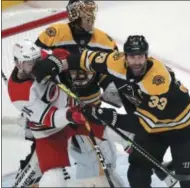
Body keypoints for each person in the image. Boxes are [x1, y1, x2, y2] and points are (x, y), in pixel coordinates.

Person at [33, 35, 190, 188]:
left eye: (140, 56)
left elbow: (140, 124)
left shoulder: (157, 80)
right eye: (132, 56)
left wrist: (107, 116)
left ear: (146, 57)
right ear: (125, 57)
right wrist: (57, 63)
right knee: (137, 173)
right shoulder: (115, 62)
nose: (136, 61)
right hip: (155, 131)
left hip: (184, 131)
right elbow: (85, 59)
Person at [13, 0, 126, 187]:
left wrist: (111, 87)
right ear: (74, 16)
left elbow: (107, 71)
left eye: (92, 14)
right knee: (44, 156)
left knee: (106, 158)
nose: (91, 19)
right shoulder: (54, 35)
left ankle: (92, 181)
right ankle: (29, 179)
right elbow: (34, 67)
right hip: (59, 106)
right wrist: (31, 106)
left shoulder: (105, 41)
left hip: (89, 107)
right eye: (85, 15)